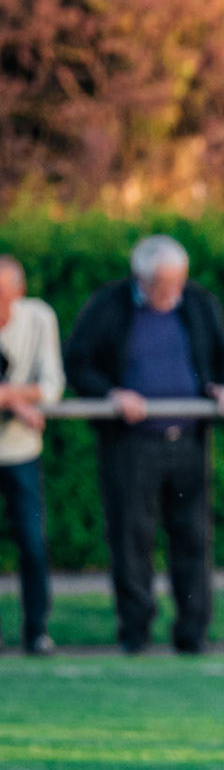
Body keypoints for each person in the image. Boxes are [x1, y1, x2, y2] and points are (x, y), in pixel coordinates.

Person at [65, 234, 224, 655]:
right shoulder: (108, 305)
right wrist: (110, 394)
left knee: (193, 539)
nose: (172, 294)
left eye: (177, 283)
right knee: (132, 539)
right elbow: (78, 361)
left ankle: (192, 632)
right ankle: (135, 633)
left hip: (188, 441)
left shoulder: (199, 303)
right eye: (163, 285)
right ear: (141, 279)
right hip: (131, 445)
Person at [0, 256, 61, 655]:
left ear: (18, 293)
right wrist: (18, 400)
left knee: (34, 544)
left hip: (20, 451)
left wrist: (9, 397)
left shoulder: (38, 318)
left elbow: (52, 385)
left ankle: (36, 630)